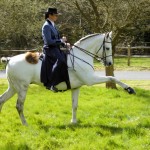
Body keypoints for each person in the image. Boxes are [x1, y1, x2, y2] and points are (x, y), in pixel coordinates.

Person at [41, 8, 69, 92]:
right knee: (61, 60)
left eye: (57, 15)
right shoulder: (46, 26)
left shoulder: (52, 24)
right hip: (49, 49)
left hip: (55, 48)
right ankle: (52, 84)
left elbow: (56, 39)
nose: (57, 16)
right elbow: (49, 41)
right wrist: (61, 41)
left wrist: (64, 44)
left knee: (67, 57)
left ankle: (64, 81)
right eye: (55, 15)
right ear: (50, 15)